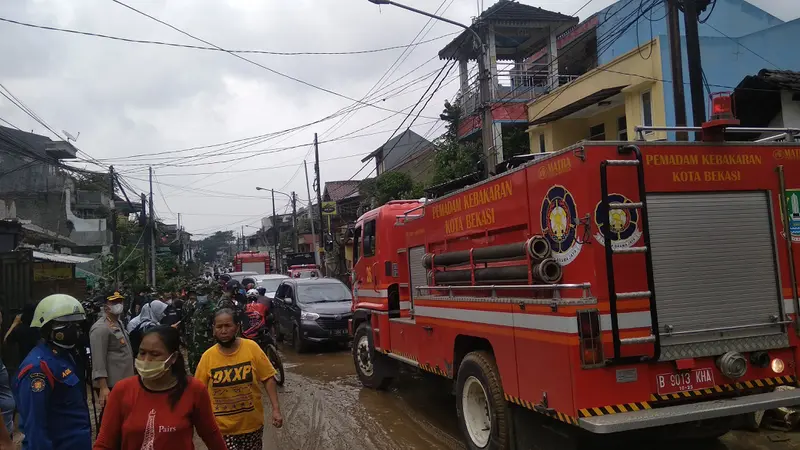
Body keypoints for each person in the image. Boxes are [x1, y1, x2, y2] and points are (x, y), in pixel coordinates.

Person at [93, 326, 227, 450]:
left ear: (173, 357)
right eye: (142, 353)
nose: (146, 360)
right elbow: (104, 443)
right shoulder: (122, 390)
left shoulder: (194, 390)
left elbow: (211, 435)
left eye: (155, 354)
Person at [195, 309, 283, 450]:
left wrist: (276, 409)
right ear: (213, 329)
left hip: (252, 425)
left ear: (237, 327)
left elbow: (268, 378)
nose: (224, 331)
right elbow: (198, 391)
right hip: (222, 428)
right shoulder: (208, 357)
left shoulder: (251, 348)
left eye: (228, 326)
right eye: (219, 327)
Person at [14, 294, 92, 450]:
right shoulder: (38, 368)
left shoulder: (66, 356)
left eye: (76, 324)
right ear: (47, 327)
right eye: (66, 324)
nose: (74, 330)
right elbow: (35, 427)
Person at [89, 291, 135, 412]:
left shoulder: (118, 323)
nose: (118, 304)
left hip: (124, 381)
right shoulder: (100, 328)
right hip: (111, 384)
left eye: (120, 301)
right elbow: (98, 361)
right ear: (105, 306)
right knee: (111, 417)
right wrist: (103, 387)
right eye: (114, 302)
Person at [186, 291, 215, 374]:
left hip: (207, 347)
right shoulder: (198, 309)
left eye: (202, 295)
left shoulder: (213, 310)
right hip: (195, 347)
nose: (200, 297)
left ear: (209, 295)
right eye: (198, 295)